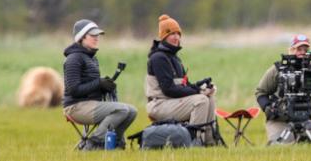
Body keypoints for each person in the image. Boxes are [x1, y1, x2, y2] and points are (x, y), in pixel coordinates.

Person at [62, 19, 138, 150]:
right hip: (75, 107)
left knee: (132, 111)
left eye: (97, 35)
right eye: (93, 35)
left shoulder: (91, 57)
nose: (97, 38)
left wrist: (104, 87)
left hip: (90, 104)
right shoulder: (73, 59)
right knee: (122, 110)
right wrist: (99, 83)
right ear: (81, 37)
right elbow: (74, 90)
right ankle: (93, 144)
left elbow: (90, 86)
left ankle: (115, 144)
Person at [144, 14, 219, 145]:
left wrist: (201, 87)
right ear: (164, 36)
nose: (177, 37)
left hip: (171, 102)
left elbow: (183, 86)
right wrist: (198, 92)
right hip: (159, 104)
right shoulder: (158, 58)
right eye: (172, 34)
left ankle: (210, 141)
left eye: (178, 34)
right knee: (201, 100)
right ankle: (193, 141)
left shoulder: (175, 58)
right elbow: (169, 90)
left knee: (209, 98)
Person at [255, 33, 311, 144]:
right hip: (279, 120)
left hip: (305, 120)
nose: (302, 53)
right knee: (281, 147)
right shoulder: (277, 69)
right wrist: (269, 109)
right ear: (291, 50)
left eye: (305, 50)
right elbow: (260, 92)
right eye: (299, 49)